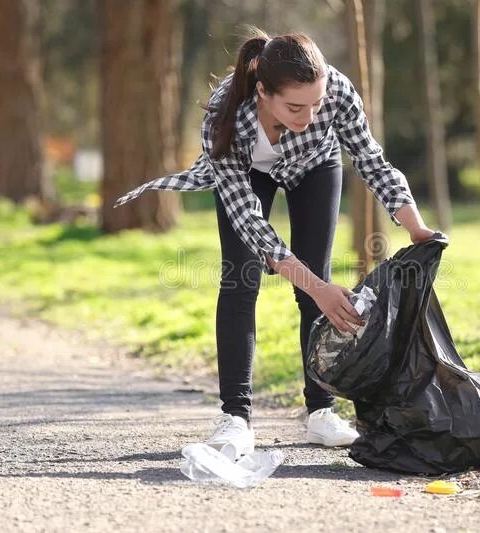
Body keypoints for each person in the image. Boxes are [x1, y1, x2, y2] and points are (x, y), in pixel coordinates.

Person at [114, 29, 439, 456]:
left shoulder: (337, 90)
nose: (308, 115)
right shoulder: (223, 117)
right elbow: (251, 224)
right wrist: (318, 288)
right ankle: (235, 417)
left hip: (315, 166)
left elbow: (370, 160)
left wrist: (414, 225)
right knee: (240, 281)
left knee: (314, 287)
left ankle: (320, 412)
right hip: (248, 174)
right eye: (294, 107)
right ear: (263, 92)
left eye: (317, 104)